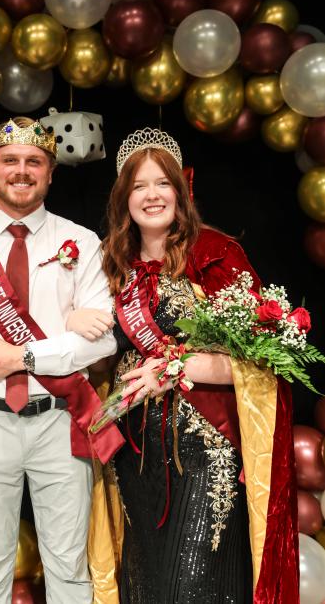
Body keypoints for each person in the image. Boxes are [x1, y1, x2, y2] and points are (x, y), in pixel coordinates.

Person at [67, 128, 299, 603]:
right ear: (123, 198)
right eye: (139, 186)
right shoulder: (108, 263)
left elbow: (256, 363)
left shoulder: (217, 254)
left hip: (204, 454)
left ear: (181, 190)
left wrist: (171, 369)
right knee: (145, 586)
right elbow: (97, 356)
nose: (152, 195)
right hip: (135, 457)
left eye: (162, 183)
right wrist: (73, 318)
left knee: (195, 587)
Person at [0, 116, 124, 604]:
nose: (22, 171)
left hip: (60, 422)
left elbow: (103, 343)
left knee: (70, 573)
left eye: (34, 162)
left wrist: (22, 357)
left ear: (50, 173)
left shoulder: (83, 243)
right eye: (10, 161)